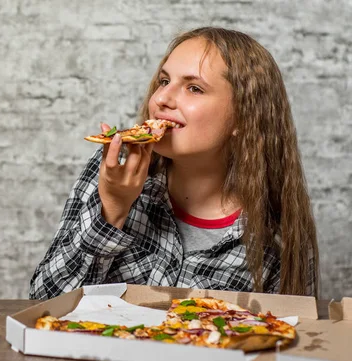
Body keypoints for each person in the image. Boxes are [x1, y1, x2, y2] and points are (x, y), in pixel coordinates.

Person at [29, 27, 319, 300]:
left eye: (194, 88)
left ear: (244, 117)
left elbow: (284, 338)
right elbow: (45, 301)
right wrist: (113, 208)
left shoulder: (275, 233)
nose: (162, 99)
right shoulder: (112, 169)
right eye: (164, 81)